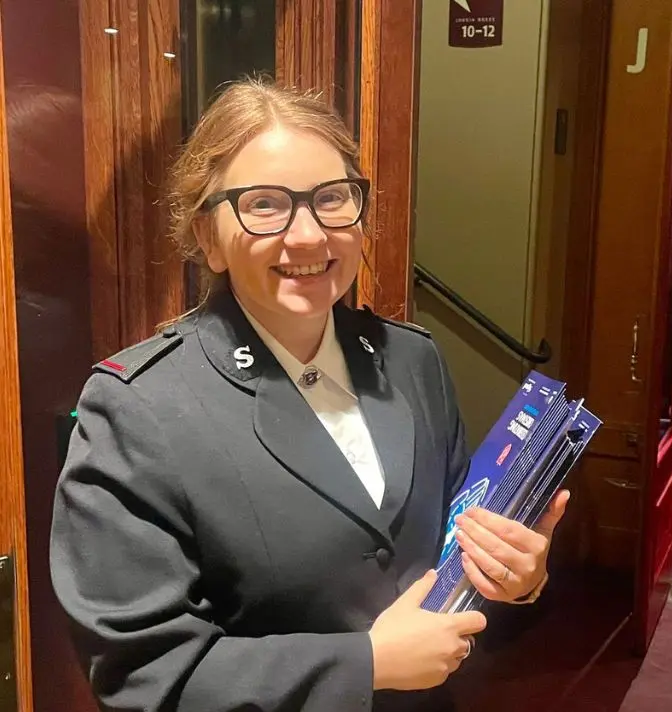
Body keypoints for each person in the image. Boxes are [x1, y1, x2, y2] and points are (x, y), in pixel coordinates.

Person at [49, 80, 566, 712]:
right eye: (264, 205)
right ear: (208, 238)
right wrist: (365, 666)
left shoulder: (412, 359)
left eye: (332, 199)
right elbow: (142, 671)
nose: (309, 236)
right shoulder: (139, 407)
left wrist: (515, 579)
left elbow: (455, 557)